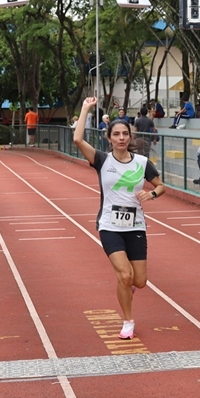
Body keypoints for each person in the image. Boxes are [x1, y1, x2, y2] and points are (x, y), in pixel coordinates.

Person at [72, 96, 165, 340]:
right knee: (124, 275)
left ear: (130, 136)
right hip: (109, 226)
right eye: (116, 134)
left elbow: (161, 185)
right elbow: (77, 139)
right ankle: (128, 321)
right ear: (109, 138)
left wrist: (152, 194)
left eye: (125, 134)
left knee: (140, 281)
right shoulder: (102, 160)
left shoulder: (143, 163)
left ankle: (129, 288)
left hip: (135, 226)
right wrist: (85, 108)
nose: (121, 138)